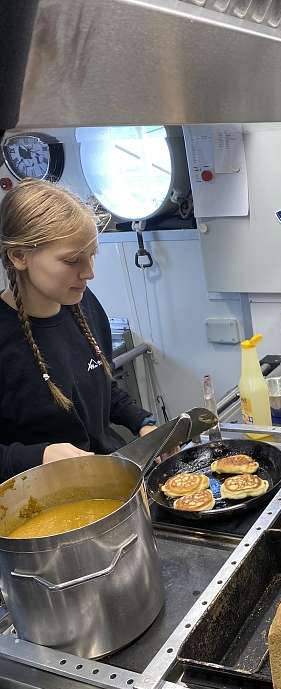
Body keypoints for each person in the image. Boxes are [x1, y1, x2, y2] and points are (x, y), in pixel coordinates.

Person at [0, 179, 157, 483]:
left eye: (92, 255)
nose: (89, 272)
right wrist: (39, 456)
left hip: (110, 482)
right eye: (72, 260)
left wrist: (143, 423)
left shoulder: (84, 306)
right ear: (19, 256)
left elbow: (102, 387)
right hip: (41, 502)